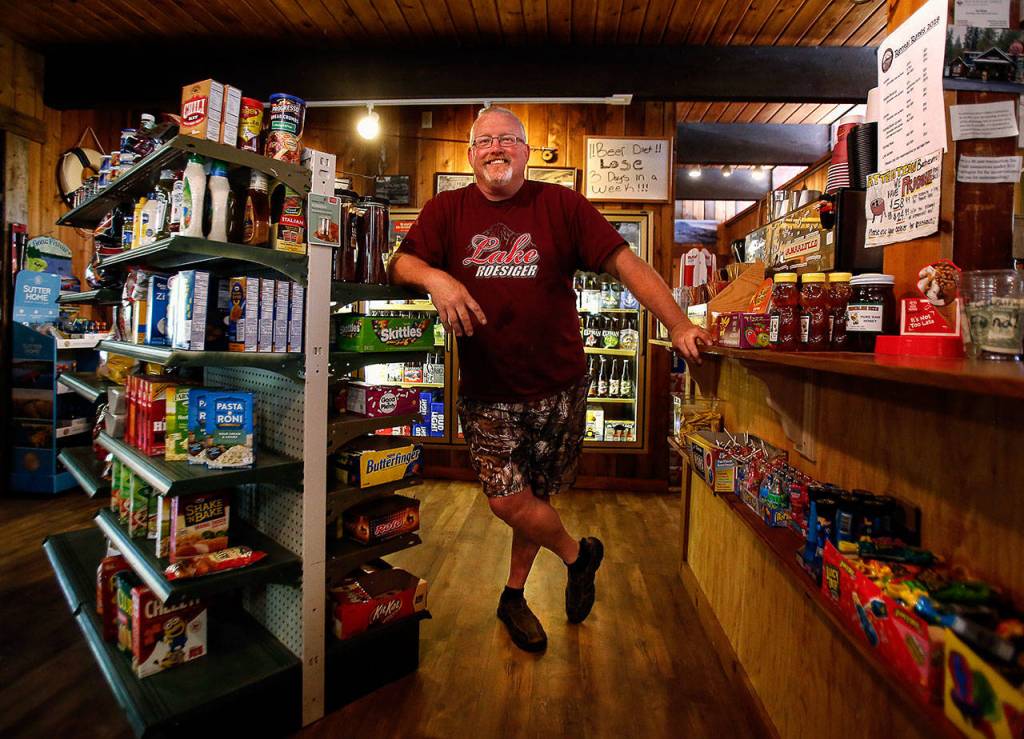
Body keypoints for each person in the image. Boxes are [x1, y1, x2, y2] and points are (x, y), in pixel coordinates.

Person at [388, 106, 710, 653]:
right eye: (485, 141)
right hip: (487, 388)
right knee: (506, 499)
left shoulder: (560, 204)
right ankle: (576, 554)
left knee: (533, 495)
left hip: (559, 383)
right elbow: (402, 264)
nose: (496, 149)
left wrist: (678, 323)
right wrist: (436, 277)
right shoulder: (447, 209)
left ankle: (513, 594)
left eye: (508, 140)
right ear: (470, 154)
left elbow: (626, 263)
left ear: (525, 152)